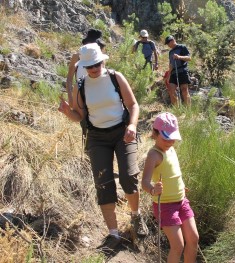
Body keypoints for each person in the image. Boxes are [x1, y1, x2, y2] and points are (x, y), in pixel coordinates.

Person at [58, 43, 149, 253]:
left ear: (103, 61)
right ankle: (113, 234)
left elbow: (133, 105)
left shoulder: (116, 77)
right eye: (89, 66)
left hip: (122, 132)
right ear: (84, 67)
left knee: (128, 176)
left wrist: (133, 125)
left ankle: (136, 217)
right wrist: (66, 112)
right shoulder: (82, 85)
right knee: (103, 183)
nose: (94, 69)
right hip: (97, 138)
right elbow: (79, 116)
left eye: (97, 64)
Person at [142, 112, 199, 263]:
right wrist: (153, 189)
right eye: (166, 138)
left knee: (193, 239)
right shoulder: (154, 155)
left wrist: (180, 187)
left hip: (181, 201)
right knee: (178, 246)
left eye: (173, 138)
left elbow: (173, 173)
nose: (170, 142)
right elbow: (144, 182)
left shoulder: (171, 149)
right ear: (155, 133)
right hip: (165, 206)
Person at [65, 29, 106, 106]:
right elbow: (69, 79)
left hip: (98, 95)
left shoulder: (101, 59)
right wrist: (71, 99)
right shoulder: (76, 57)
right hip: (81, 95)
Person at [164, 35, 191, 106]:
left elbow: (189, 58)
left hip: (182, 71)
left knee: (184, 90)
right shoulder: (170, 52)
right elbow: (171, 64)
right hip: (173, 73)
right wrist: (168, 75)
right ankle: (176, 109)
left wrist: (179, 57)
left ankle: (188, 110)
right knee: (171, 90)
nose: (168, 45)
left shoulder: (182, 47)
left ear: (173, 40)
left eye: (168, 43)